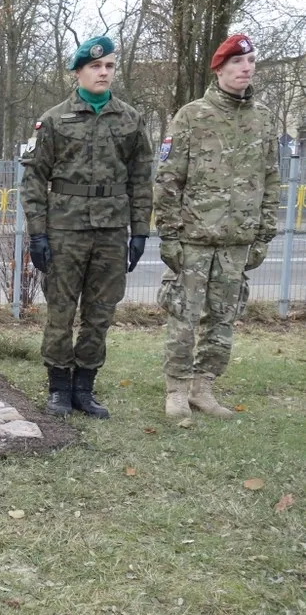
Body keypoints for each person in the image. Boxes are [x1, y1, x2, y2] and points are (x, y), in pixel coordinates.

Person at [21, 36, 153, 419]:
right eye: (95, 66)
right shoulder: (55, 120)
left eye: (110, 66)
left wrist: (140, 230)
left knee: (101, 313)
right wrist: (38, 233)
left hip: (112, 232)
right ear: (78, 72)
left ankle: (85, 388)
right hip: (65, 231)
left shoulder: (130, 119)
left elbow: (141, 177)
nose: (104, 72)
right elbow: (34, 180)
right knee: (60, 312)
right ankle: (59, 387)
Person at [153, 33, 280, 418]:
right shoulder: (192, 115)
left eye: (251, 62)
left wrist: (263, 233)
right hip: (194, 238)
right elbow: (168, 178)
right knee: (184, 317)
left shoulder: (263, 119)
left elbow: (271, 179)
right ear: (220, 69)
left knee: (223, 319)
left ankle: (202, 387)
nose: (246, 68)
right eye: (237, 63)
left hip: (237, 241)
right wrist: (170, 235)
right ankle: (176, 390)